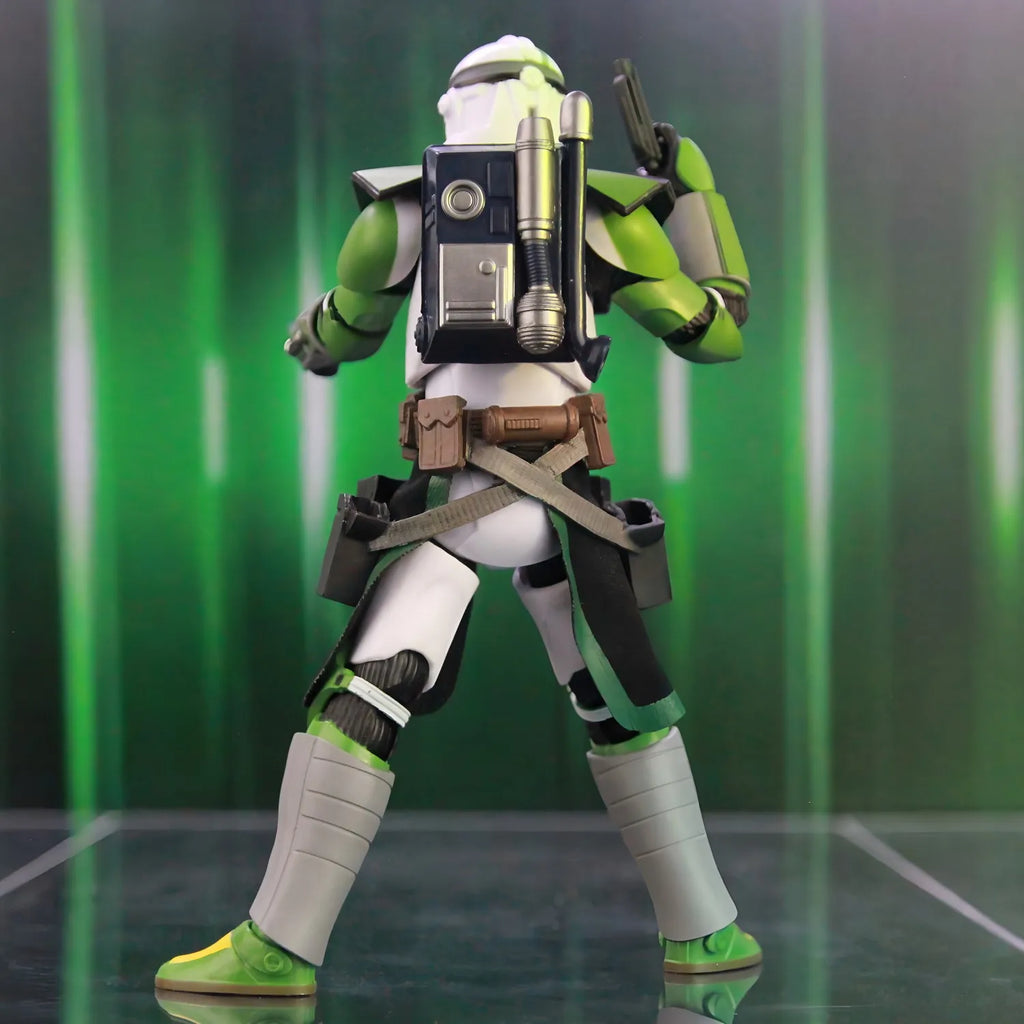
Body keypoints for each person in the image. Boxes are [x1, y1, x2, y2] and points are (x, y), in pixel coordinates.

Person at [156, 35, 760, 997]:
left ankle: (278, 947)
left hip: (452, 499)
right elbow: (718, 331)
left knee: (359, 702)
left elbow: (346, 328)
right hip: (562, 503)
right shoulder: (608, 219)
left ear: (452, 112)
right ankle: (708, 935)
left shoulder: (400, 215)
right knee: (621, 704)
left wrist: (313, 336)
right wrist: (696, 196)